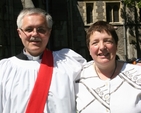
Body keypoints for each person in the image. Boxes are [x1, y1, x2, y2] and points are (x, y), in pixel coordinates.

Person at [0, 8, 86, 113]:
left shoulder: (68, 63)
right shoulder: (4, 70)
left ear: (49, 32)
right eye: (29, 29)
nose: (35, 34)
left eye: (41, 30)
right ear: (19, 33)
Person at [75, 21, 141, 113]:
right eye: (95, 43)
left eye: (108, 41)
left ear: (116, 45)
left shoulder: (137, 73)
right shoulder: (77, 77)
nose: (102, 47)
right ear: (89, 49)